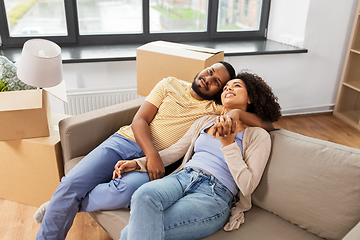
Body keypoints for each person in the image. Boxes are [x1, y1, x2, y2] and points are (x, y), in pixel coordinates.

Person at [35, 61, 271, 240]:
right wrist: (149, 157)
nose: (208, 79)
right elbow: (139, 121)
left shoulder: (216, 111)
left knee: (127, 191)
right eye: (210, 71)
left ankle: (63, 203)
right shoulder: (170, 84)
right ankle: (64, 199)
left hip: (172, 167)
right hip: (125, 142)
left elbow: (267, 124)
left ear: (218, 93)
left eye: (217, 82)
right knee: (70, 185)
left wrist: (237, 113)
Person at [115, 71, 282, 240]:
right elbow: (174, 152)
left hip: (214, 194)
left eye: (236, 86)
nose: (228, 89)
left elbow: (248, 186)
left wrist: (229, 144)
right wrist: (138, 163)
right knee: (143, 194)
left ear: (250, 98)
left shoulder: (258, 136)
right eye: (225, 87)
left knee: (129, 233)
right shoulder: (206, 121)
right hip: (181, 178)